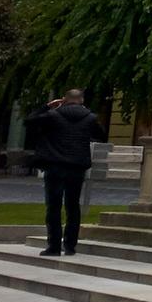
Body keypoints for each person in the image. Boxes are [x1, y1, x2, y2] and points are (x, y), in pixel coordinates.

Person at [23, 88, 107, 257]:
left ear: (64, 100)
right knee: (73, 206)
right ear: (81, 100)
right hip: (76, 167)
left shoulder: (53, 116)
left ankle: (53, 246)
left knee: (53, 207)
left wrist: (47, 106)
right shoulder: (90, 118)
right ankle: (70, 245)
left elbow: (29, 121)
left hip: (55, 165)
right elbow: (101, 135)